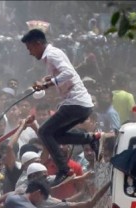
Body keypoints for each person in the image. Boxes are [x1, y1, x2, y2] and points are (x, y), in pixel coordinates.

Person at [21, 29, 98, 186]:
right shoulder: (51, 56)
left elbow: (69, 73)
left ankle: (63, 170)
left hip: (76, 103)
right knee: (55, 136)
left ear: (38, 43)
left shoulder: (52, 54)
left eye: (30, 48)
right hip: (80, 104)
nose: (30, 53)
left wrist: (47, 83)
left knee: (43, 131)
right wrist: (44, 82)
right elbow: (61, 75)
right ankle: (91, 139)